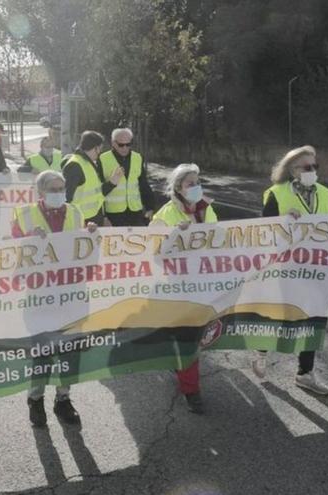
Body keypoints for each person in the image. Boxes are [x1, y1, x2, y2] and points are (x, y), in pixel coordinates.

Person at [252, 145, 328, 394]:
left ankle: (305, 373)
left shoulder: (324, 193)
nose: (312, 170)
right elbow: (264, 232)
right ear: (292, 170)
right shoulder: (276, 193)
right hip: (285, 268)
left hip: (314, 268)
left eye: (315, 166)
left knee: (313, 317)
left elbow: (324, 226)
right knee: (280, 316)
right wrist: (283, 221)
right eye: (307, 167)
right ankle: (261, 351)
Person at [11, 170, 96, 425]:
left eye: (62, 188)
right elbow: (9, 252)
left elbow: (84, 249)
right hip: (41, 295)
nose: (59, 193)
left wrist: (91, 232)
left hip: (72, 293)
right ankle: (36, 399)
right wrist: (27, 239)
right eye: (53, 189)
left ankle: (63, 399)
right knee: (43, 352)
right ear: (41, 192)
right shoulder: (24, 215)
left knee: (70, 351)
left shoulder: (76, 212)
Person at [150, 163, 217, 414]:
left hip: (204, 281)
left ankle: (178, 363)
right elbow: (154, 253)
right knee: (187, 337)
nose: (196, 187)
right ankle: (191, 391)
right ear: (178, 187)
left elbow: (219, 239)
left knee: (196, 335)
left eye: (198, 183)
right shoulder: (165, 215)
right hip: (177, 286)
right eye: (191, 184)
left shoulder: (206, 208)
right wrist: (174, 236)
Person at [98, 128, 156, 226]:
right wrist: (103, 217)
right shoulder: (102, 159)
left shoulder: (138, 158)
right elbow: (97, 192)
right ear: (113, 143)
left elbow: (143, 184)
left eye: (128, 144)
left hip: (135, 212)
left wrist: (150, 207)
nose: (125, 148)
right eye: (121, 145)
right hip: (113, 214)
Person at [63, 130, 110, 226]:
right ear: (96, 148)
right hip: (82, 221)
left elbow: (97, 194)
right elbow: (67, 198)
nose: (100, 152)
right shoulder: (75, 165)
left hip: (93, 218)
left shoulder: (87, 163)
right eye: (100, 149)